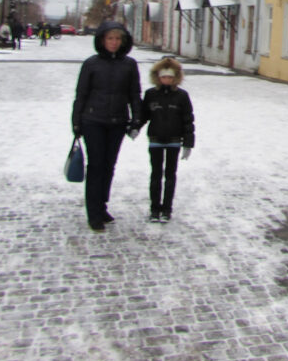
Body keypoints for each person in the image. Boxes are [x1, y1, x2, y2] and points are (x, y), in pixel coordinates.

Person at [71, 21, 142, 231]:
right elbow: (81, 95)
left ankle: (102, 206)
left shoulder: (129, 65)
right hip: (93, 121)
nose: (114, 42)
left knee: (109, 166)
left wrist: (136, 118)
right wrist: (76, 121)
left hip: (117, 122)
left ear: (123, 42)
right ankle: (93, 212)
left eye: (118, 39)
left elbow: (134, 94)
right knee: (95, 166)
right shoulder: (91, 64)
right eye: (110, 38)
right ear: (102, 40)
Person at [135, 57, 195, 223]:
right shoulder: (151, 95)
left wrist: (188, 143)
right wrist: (135, 127)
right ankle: (155, 208)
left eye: (170, 77)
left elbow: (188, 120)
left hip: (174, 140)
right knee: (155, 175)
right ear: (158, 77)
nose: (167, 80)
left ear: (175, 77)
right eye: (163, 77)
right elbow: (143, 115)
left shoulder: (182, 96)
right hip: (155, 139)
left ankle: (167, 209)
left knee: (170, 175)